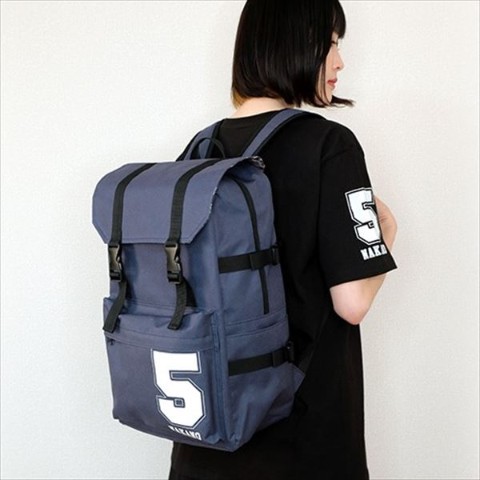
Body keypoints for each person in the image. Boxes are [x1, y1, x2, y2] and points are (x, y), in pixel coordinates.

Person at [169, 0, 397, 478]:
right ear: (291, 45)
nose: (340, 62)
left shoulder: (198, 149)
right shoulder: (330, 145)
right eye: (331, 44)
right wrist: (386, 236)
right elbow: (352, 303)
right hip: (302, 440)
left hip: (204, 433)